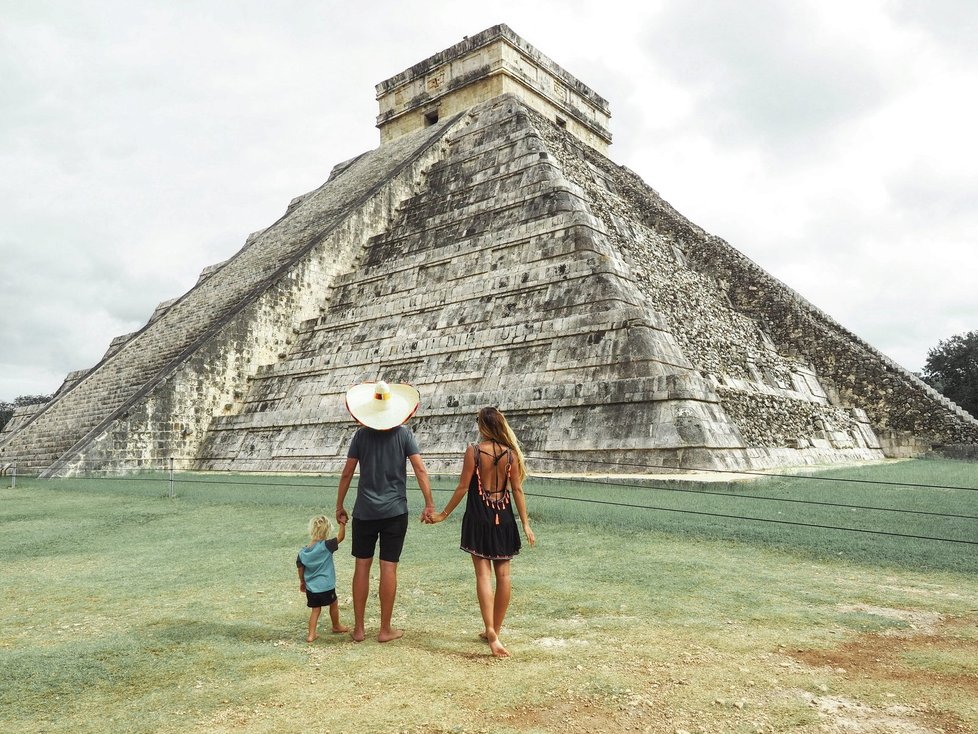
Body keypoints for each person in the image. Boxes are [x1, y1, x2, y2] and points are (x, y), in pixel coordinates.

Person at [430, 406, 535, 657]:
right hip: (504, 515)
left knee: (483, 576)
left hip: (479, 516)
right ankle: (494, 631)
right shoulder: (511, 455)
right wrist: (525, 523)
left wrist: (443, 514)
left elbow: (462, 487)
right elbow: (517, 491)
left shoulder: (474, 451)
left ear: (483, 426)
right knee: (504, 576)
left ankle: (490, 630)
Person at [336, 380, 436, 643]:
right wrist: (429, 503)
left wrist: (339, 504)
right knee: (388, 567)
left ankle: (358, 629)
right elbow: (420, 469)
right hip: (394, 511)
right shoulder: (404, 435)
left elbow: (347, 472)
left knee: (361, 566)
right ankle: (384, 629)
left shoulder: (360, 436)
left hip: (365, 511)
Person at [296, 514, 349, 643]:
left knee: (315, 610)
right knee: (333, 603)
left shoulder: (302, 553)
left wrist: (302, 582)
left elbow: (300, 569)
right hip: (326, 586)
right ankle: (336, 625)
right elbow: (341, 537)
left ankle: (311, 634)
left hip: (312, 588)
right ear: (327, 531)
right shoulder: (327, 546)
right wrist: (342, 523)